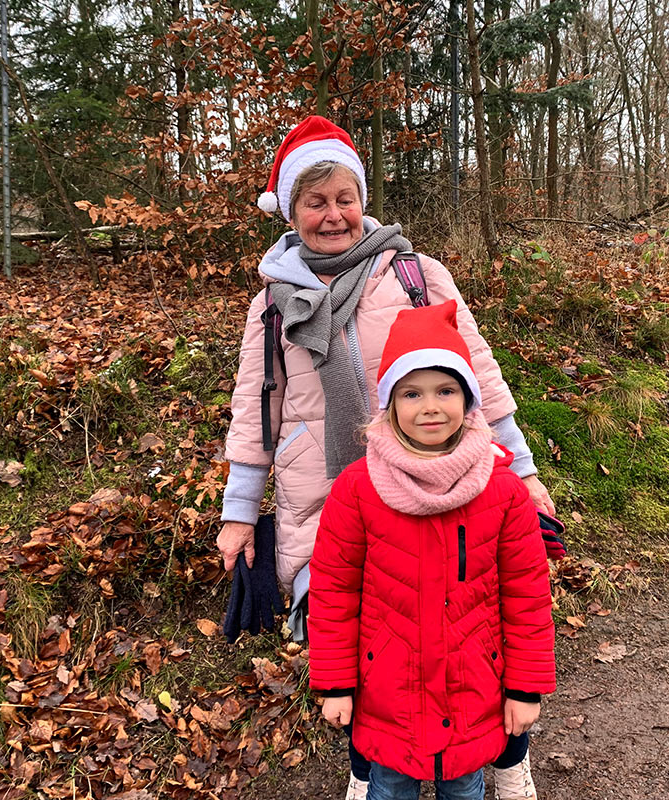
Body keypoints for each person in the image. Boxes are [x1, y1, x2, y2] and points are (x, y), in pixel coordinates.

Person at [218, 115, 553, 798]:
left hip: (444, 489)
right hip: (333, 499)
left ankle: (508, 757)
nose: (333, 214)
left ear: (362, 199)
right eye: (315, 201)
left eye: (345, 197)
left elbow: (478, 376)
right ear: (290, 209)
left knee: (472, 625)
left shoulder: (414, 273)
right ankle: (369, 769)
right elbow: (256, 410)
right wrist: (239, 511)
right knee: (366, 645)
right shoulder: (271, 306)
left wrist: (522, 469)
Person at [308, 301, 556, 800]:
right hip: (386, 698)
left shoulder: (501, 490)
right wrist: (335, 683)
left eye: (446, 390)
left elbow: (527, 596)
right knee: (389, 787)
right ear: (388, 403)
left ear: (468, 399)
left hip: (472, 696)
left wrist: (525, 689)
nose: (430, 406)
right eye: (411, 393)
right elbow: (333, 591)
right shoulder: (358, 488)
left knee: (464, 788)